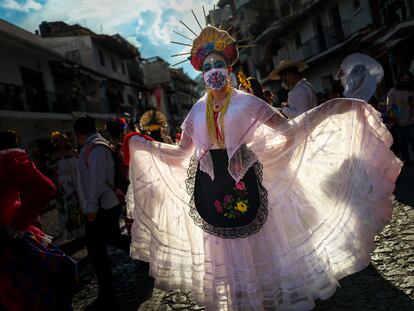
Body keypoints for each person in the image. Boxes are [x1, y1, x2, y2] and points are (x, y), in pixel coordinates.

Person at [126, 23, 401, 310]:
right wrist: (148, 147)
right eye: (208, 67)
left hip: (248, 183)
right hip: (212, 190)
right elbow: (184, 152)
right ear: (202, 73)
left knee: (259, 253)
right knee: (229, 257)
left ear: (229, 68)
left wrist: (319, 117)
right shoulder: (196, 110)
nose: (214, 71)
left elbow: (288, 131)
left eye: (219, 64)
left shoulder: (248, 103)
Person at [0, 130, 77, 311]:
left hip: (9, 239)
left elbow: (43, 187)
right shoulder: (8, 159)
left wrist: (17, 223)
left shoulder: (6, 160)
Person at [73, 117, 130, 310]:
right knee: (112, 240)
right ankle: (145, 254)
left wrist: (90, 210)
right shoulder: (96, 146)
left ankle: (107, 295)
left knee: (98, 252)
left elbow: (96, 182)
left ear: (79, 134)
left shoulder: (96, 148)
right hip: (103, 206)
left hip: (101, 208)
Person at [50, 131, 84, 242]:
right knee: (69, 208)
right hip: (64, 184)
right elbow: (54, 173)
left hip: (77, 181)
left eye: (63, 139)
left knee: (79, 205)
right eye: (59, 140)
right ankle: (72, 231)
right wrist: (56, 187)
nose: (61, 142)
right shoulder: (55, 156)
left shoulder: (74, 152)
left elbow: (82, 167)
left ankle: (83, 229)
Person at [387, 71, 414, 163]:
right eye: (403, 79)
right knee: (402, 142)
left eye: (408, 79)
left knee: (412, 139)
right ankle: (406, 159)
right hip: (398, 121)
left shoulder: (411, 91)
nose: (405, 81)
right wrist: (394, 118)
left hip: (411, 119)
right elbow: (390, 106)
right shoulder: (393, 91)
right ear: (400, 79)